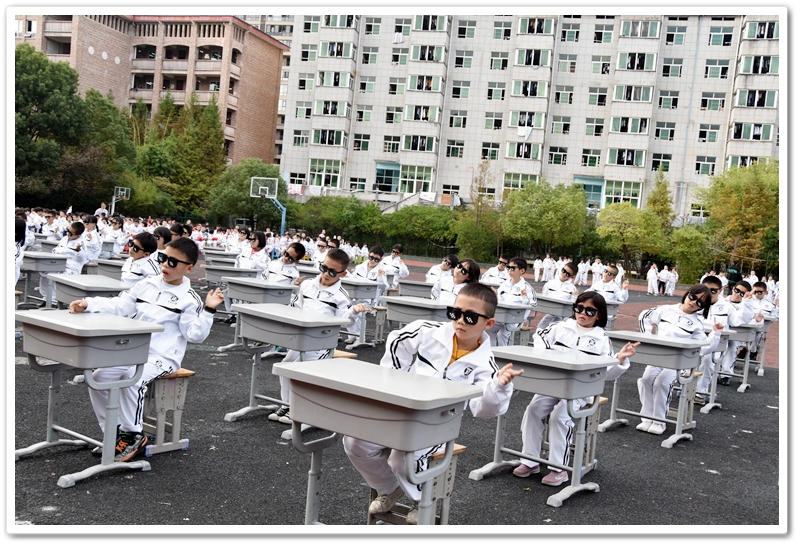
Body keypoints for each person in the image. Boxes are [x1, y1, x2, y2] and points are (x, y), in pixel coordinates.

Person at [343, 283, 523, 524]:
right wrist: (395, 383)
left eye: (470, 317)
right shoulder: (427, 332)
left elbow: (483, 409)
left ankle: (421, 500)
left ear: (488, 323)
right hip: (401, 411)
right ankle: (389, 488)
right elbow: (397, 341)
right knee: (355, 442)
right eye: (455, 313)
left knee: (402, 460)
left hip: (437, 424)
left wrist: (499, 386)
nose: (460, 321)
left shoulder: (485, 364)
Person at [68, 238, 224, 462]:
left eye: (173, 262)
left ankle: (133, 435)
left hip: (163, 357)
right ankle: (114, 433)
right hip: (134, 351)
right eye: (163, 258)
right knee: (99, 377)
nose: (165, 265)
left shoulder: (189, 299)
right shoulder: (146, 285)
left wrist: (209, 310)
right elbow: (120, 305)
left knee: (132, 378)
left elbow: (195, 336)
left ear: (189, 268)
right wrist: (89, 304)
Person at [513, 292, 639, 485]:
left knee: (559, 416)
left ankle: (559, 469)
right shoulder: (561, 327)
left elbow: (606, 373)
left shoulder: (601, 339)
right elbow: (539, 337)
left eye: (590, 311)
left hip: (581, 389)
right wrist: (547, 355)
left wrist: (620, 358)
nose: (583, 313)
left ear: (599, 314)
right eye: (579, 308)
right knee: (533, 410)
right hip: (554, 382)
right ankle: (530, 461)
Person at [269, 249, 369, 424]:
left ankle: (301, 410)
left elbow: (345, 322)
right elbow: (296, 307)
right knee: (285, 367)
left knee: (302, 372)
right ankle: (288, 404)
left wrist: (353, 311)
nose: (326, 274)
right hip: (301, 339)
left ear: (343, 274)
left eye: (332, 272)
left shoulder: (341, 296)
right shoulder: (307, 285)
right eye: (324, 268)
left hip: (322, 344)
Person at [636, 285, 724, 434]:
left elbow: (705, 347)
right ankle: (647, 417)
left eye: (700, 302)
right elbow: (644, 316)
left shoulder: (696, 324)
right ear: (687, 294)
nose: (693, 302)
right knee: (646, 380)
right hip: (659, 357)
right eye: (693, 297)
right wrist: (648, 337)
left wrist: (716, 333)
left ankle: (659, 421)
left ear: (702, 307)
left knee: (662, 382)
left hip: (679, 362)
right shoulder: (666, 310)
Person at [694, 276, 754, 402]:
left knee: (707, 360)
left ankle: (700, 392)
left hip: (716, 344)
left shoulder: (726, 306)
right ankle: (686, 388)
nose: (709, 293)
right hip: (695, 340)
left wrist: (747, 303)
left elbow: (740, 320)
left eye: (713, 290)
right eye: (706, 289)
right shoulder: (694, 302)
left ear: (720, 290)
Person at [344, 245, 390, 343]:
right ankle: (352, 335)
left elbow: (384, 287)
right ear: (368, 255)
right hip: (355, 295)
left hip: (370, 298)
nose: (372, 261)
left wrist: (380, 277)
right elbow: (353, 279)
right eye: (371, 257)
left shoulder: (381, 270)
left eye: (376, 259)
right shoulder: (360, 267)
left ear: (381, 259)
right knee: (349, 311)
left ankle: (360, 338)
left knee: (360, 314)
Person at [487, 257, 536, 346]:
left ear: (522, 271)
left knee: (503, 334)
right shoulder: (505, 284)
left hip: (514, 319)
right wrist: (495, 294)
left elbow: (532, 305)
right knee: (487, 328)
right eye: (508, 267)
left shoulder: (526, 287)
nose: (509, 270)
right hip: (501, 316)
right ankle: (491, 350)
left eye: (512, 268)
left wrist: (524, 298)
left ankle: (503, 353)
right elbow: (500, 299)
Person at [538, 261, 579, 330]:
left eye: (568, 274)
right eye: (563, 271)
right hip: (549, 313)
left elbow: (571, 307)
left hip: (563, 318)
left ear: (572, 276)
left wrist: (574, 297)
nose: (564, 274)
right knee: (541, 327)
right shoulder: (550, 284)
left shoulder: (572, 289)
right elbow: (543, 297)